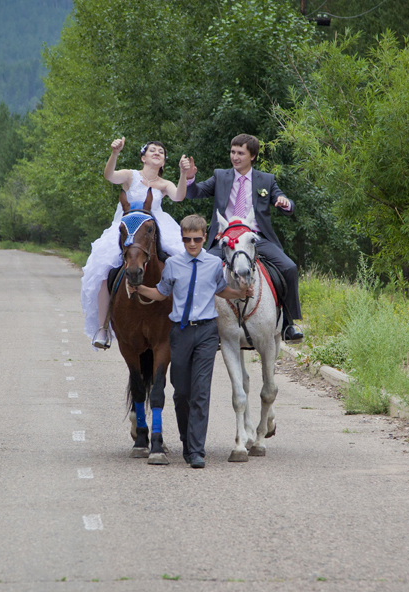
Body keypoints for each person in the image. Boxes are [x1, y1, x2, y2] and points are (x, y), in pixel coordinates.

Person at [128, 215, 246, 468]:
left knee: (201, 392)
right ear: (181, 239)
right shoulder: (172, 265)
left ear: (205, 237)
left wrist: (238, 293)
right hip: (180, 333)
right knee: (182, 393)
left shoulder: (215, 263)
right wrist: (137, 288)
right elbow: (161, 293)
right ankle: (186, 439)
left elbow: (219, 289)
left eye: (196, 239)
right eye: (187, 239)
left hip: (206, 332)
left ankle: (196, 451)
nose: (192, 244)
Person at [183, 134, 304, 342]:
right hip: (226, 238)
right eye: (233, 152)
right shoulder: (220, 176)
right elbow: (195, 193)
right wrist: (190, 178)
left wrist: (286, 203)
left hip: (255, 237)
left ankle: (289, 325)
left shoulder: (266, 180)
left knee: (289, 267)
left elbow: (286, 204)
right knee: (200, 268)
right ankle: (205, 325)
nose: (235, 157)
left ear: (253, 156)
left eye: (241, 153)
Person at [81, 138, 189, 349]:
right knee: (103, 269)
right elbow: (109, 176)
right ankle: (103, 328)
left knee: (183, 264)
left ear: (164, 161)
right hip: (127, 225)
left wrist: (183, 174)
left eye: (161, 151)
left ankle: (182, 320)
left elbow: (179, 196)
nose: (157, 152)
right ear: (143, 157)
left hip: (154, 227)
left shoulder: (164, 184)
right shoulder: (130, 175)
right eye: (152, 150)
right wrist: (114, 153)